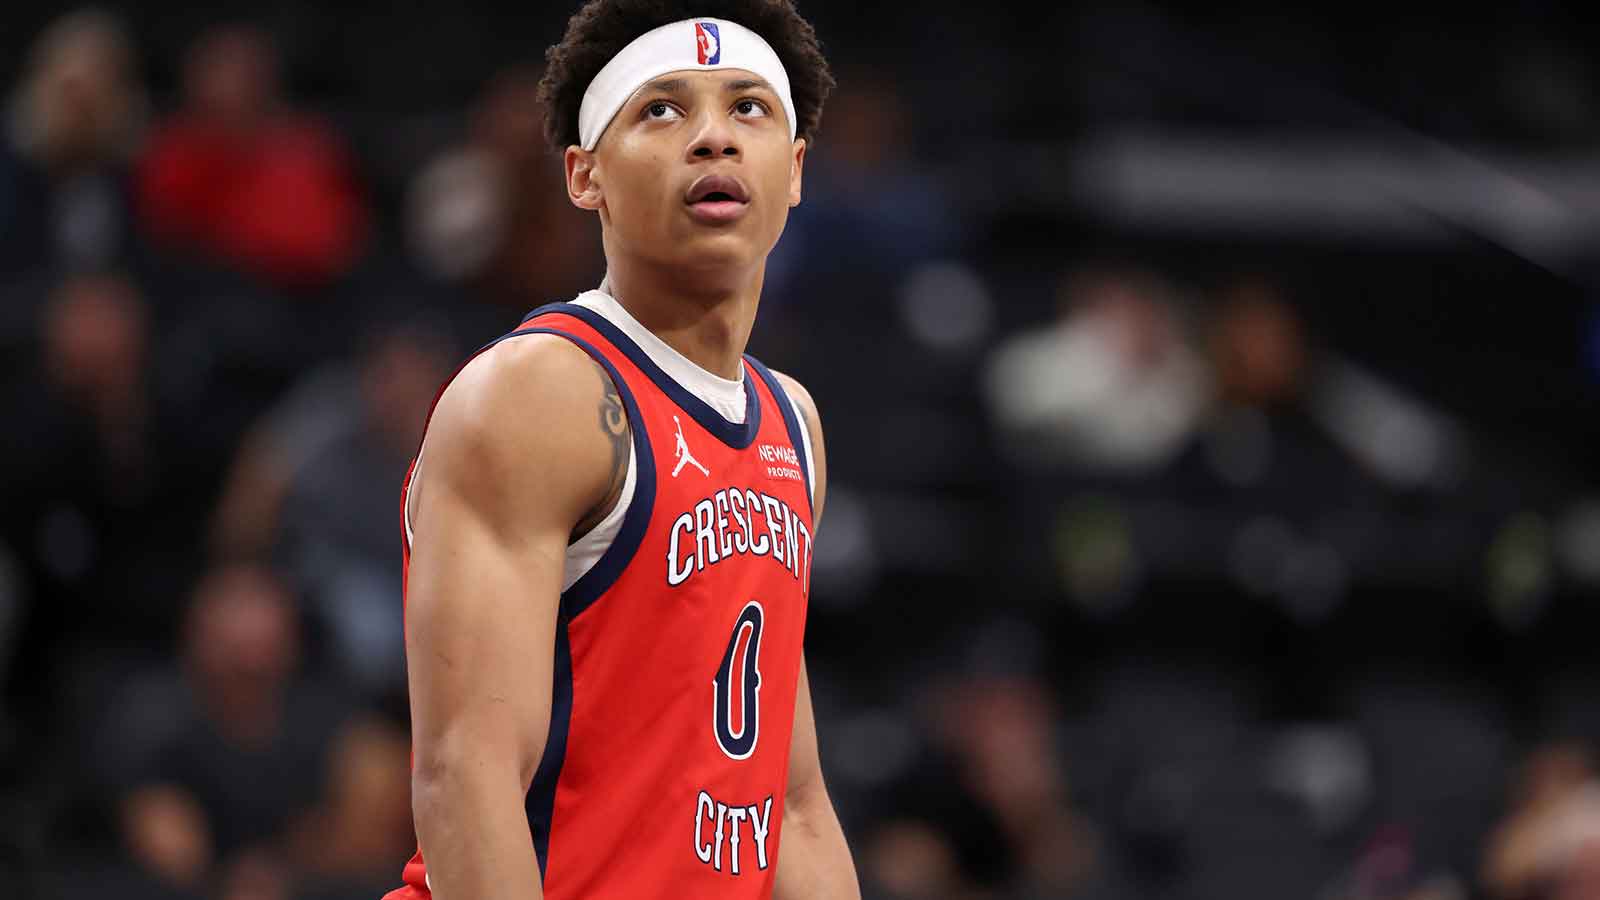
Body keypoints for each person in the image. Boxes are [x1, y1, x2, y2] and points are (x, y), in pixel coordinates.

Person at [383, 2, 857, 899]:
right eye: (663, 110)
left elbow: (792, 804)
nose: (714, 138)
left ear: (793, 172)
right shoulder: (541, 394)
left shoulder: (792, 422)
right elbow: (465, 775)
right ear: (584, 175)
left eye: (749, 108)